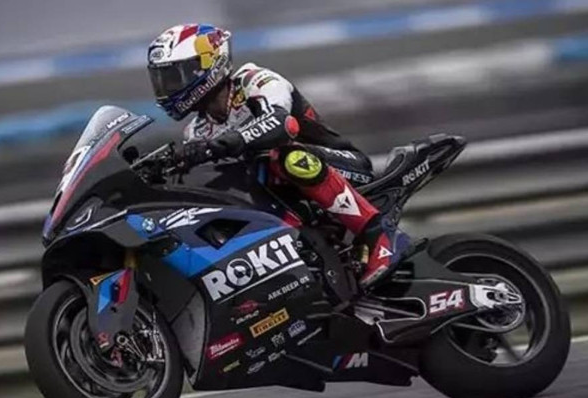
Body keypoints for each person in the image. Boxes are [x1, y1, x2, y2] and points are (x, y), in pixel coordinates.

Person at [146, 23, 412, 288]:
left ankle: (380, 233)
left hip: (339, 165)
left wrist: (219, 146)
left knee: (285, 156)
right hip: (281, 190)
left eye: (175, 77)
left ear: (209, 64)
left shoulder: (255, 80)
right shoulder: (196, 131)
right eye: (162, 79)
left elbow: (282, 125)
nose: (168, 88)